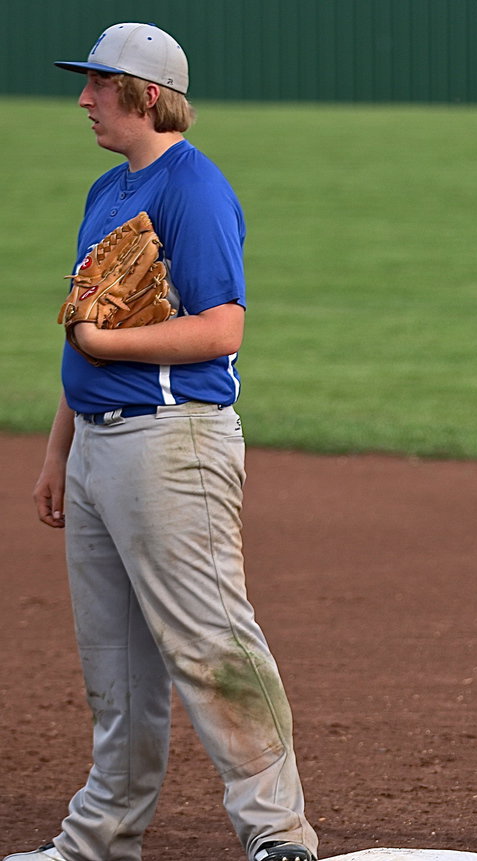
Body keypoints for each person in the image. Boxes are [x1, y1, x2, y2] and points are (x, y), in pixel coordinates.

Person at [14, 23, 317, 861]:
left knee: (210, 638)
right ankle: (99, 840)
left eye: (100, 84)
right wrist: (56, 450)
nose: (84, 98)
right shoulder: (105, 191)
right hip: (95, 449)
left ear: (147, 94)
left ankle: (277, 832)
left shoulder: (195, 187)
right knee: (115, 665)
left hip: (172, 442)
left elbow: (223, 328)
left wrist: (107, 349)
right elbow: (82, 331)